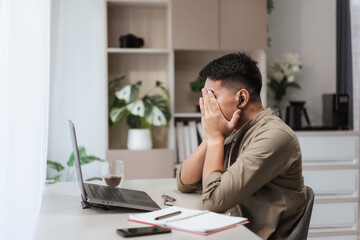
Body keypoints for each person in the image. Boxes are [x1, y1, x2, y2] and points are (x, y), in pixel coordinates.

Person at [176, 53, 307, 240]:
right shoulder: (233, 129)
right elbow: (184, 182)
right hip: (232, 229)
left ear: (241, 98)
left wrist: (215, 137)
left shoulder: (273, 136)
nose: (205, 105)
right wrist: (212, 136)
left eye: (211, 97)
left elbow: (213, 200)